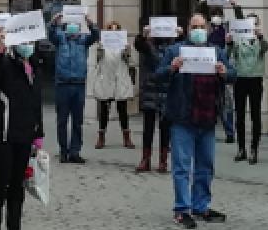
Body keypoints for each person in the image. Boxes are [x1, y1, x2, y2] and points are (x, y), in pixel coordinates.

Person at [156, 13, 237, 228]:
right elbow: (158, 75)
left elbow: (233, 74)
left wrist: (224, 72)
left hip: (208, 117)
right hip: (183, 117)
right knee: (182, 167)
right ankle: (182, 209)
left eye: (202, 26)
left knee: (205, 165)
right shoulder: (175, 50)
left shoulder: (216, 51)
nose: (198, 30)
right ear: (188, 29)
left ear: (208, 29)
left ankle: (201, 206)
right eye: (194, 26)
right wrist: (171, 68)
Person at [0, 28, 44, 230]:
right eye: (22, 42)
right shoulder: (6, 64)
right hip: (1, 136)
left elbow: (35, 102)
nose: (27, 46)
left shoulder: (34, 68)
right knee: (1, 184)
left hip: (24, 135)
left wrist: (38, 135)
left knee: (17, 185)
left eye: (30, 42)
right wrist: (0, 46)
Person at [48, 12, 99, 163]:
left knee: (77, 121)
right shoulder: (60, 38)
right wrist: (54, 22)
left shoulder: (84, 40)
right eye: (70, 26)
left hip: (78, 85)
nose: (73, 29)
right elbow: (51, 34)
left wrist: (90, 23)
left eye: (76, 27)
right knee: (62, 121)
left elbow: (95, 35)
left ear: (79, 28)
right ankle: (63, 151)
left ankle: (75, 151)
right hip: (62, 84)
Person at [134, 23, 179, 173]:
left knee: (165, 128)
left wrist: (181, 35)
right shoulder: (148, 45)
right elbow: (138, 45)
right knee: (148, 127)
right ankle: (145, 159)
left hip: (167, 91)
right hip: (150, 91)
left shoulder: (173, 48)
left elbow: (186, 51)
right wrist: (143, 35)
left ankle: (163, 160)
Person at [226, 13, 268, 163]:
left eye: (255, 23)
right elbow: (227, 55)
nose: (252, 26)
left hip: (256, 78)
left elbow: (267, 48)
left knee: (255, 115)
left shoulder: (260, 39)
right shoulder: (238, 38)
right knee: (240, 115)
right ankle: (241, 148)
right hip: (241, 79)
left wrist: (261, 36)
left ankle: (254, 149)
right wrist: (229, 43)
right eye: (249, 23)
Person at [91, 22, 135, 150]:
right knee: (104, 110)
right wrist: (100, 48)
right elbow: (98, 59)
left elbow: (128, 60)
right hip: (106, 79)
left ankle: (126, 137)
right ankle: (101, 136)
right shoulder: (102, 45)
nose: (113, 33)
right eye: (111, 31)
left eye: (116, 31)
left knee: (123, 110)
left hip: (120, 78)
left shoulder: (124, 45)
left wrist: (127, 49)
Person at [205, 2, 241, 143]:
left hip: (222, 65)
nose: (216, 18)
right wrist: (201, 3)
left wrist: (235, 7)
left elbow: (241, 24)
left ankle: (230, 132)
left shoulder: (227, 28)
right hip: (208, 67)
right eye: (214, 15)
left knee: (226, 103)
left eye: (218, 15)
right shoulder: (206, 29)